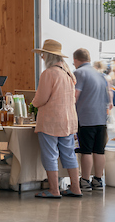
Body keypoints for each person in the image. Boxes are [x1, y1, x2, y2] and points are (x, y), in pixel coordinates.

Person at [31, 39, 80, 199]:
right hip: (69, 120)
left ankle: (54, 190)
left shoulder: (49, 73)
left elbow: (41, 99)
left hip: (51, 121)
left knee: (50, 155)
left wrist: (33, 103)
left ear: (49, 56)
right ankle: (75, 187)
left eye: (43, 55)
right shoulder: (68, 73)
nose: (42, 58)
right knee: (69, 154)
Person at [72, 47, 110, 192]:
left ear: (75, 60)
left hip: (86, 118)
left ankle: (85, 180)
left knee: (86, 151)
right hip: (101, 118)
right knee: (99, 150)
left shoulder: (79, 73)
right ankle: (98, 180)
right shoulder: (99, 74)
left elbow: (75, 95)